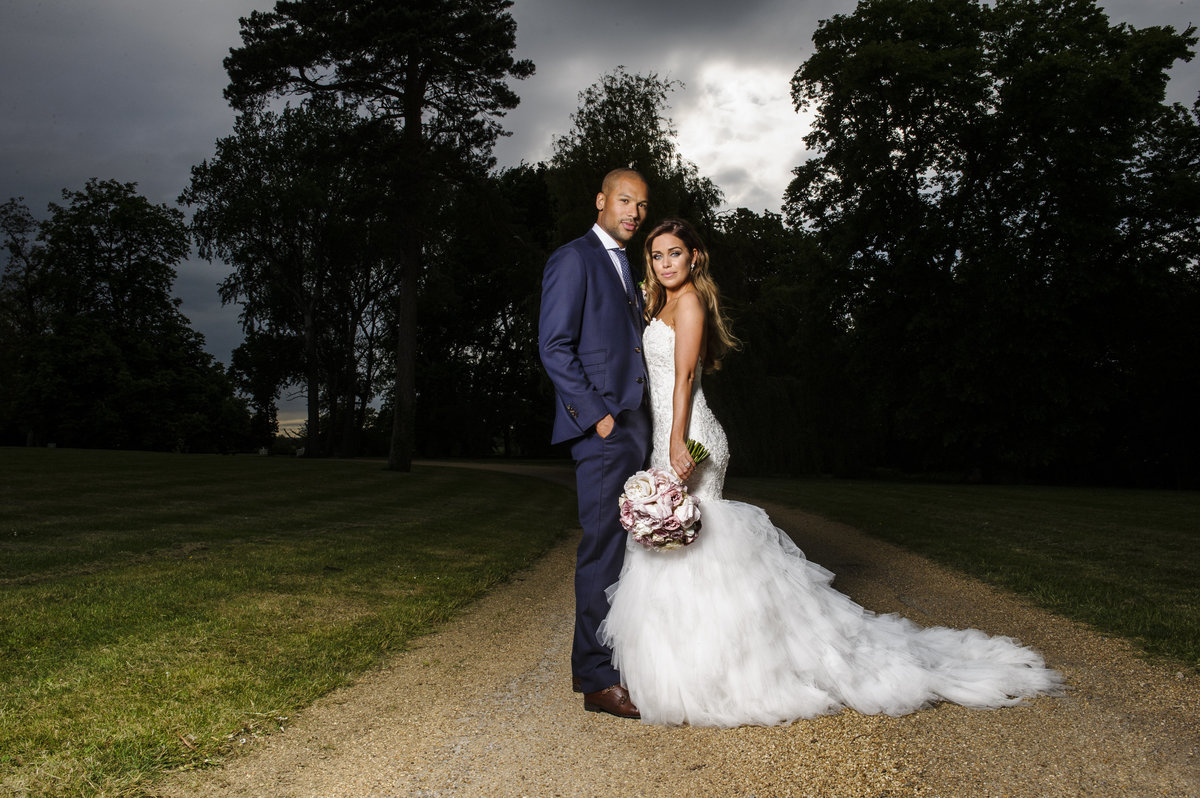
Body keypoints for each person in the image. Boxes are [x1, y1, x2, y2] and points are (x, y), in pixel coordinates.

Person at [599, 218, 1064, 727]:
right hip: (668, 432)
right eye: (658, 255)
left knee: (696, 546)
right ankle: (685, 672)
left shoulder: (688, 303)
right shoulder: (658, 301)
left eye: (675, 254)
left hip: (689, 437)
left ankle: (729, 675)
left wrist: (674, 443)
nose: (666, 264)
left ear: (695, 258)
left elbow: (685, 376)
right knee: (674, 551)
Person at [538, 168, 652, 719]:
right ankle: (595, 678)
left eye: (643, 205)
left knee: (633, 551)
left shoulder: (628, 266)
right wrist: (599, 418)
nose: (634, 212)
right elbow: (554, 345)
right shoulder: (574, 257)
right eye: (626, 200)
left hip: (636, 426)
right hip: (604, 428)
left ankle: (625, 661)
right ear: (602, 199)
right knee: (603, 549)